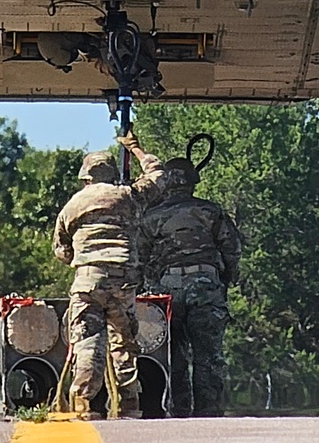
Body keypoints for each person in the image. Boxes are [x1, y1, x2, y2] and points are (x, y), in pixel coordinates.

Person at [52, 128, 164, 421]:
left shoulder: (71, 206)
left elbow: (62, 251)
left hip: (88, 279)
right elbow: (158, 177)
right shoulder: (127, 195)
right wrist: (136, 148)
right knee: (124, 342)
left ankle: (85, 404)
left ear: (86, 176)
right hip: (124, 279)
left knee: (88, 339)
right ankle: (129, 404)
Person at [139, 156, 241, 417]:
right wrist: (230, 277)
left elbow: (139, 257)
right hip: (205, 286)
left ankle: (179, 412)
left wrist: (149, 286)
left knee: (173, 356)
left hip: (166, 292)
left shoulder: (151, 216)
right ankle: (208, 413)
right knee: (208, 354)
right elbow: (231, 248)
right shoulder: (210, 212)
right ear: (192, 183)